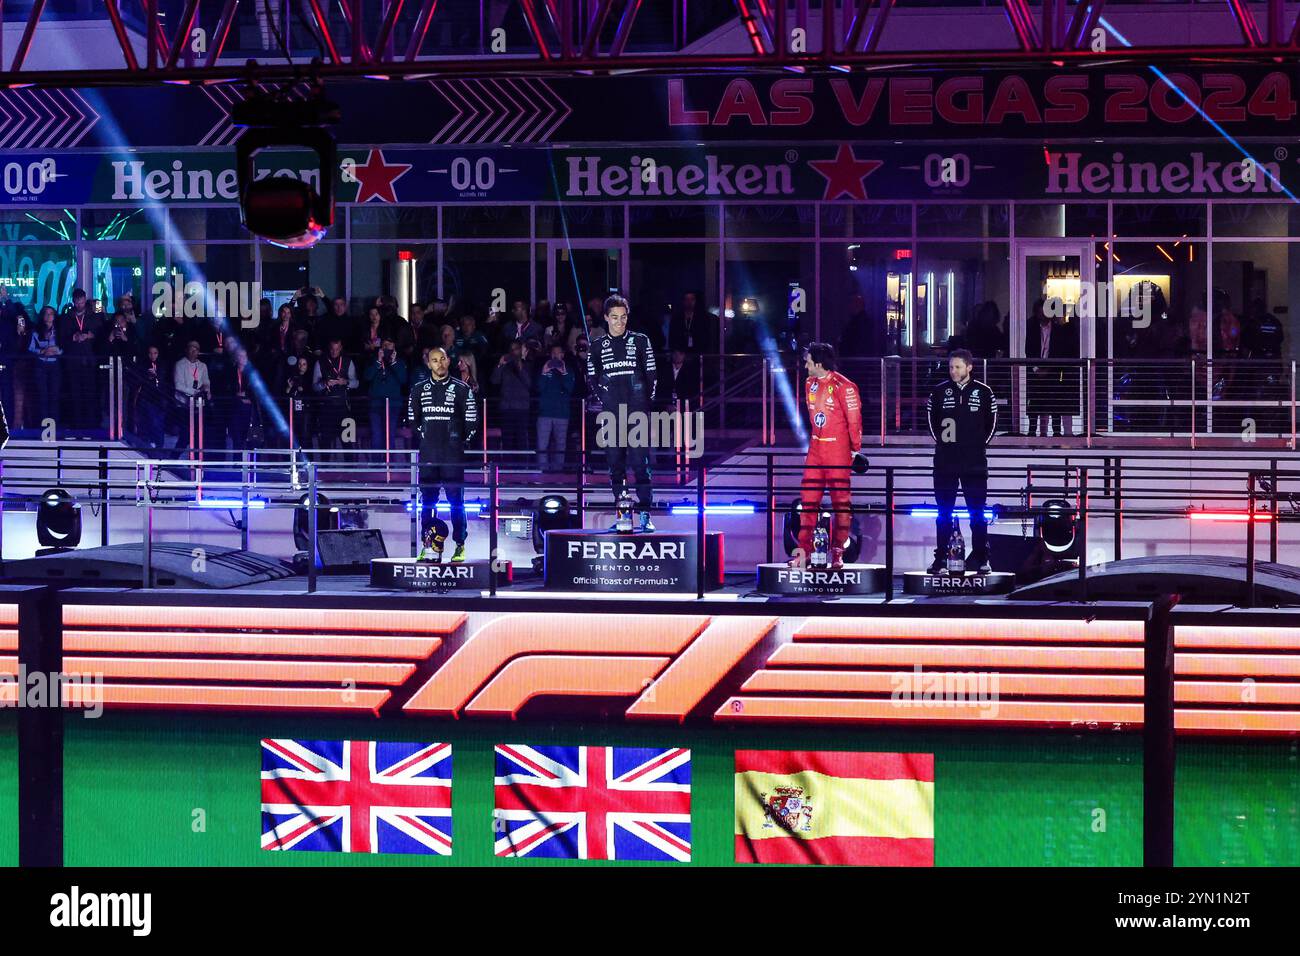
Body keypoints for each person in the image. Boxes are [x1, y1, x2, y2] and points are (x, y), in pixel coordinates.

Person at [788, 343, 863, 570]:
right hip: (815, 451)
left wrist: (854, 449)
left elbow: (854, 421)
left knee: (841, 504)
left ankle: (838, 553)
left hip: (838, 451)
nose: (805, 364)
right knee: (808, 502)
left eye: (808, 360)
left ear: (819, 363)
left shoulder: (845, 386)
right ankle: (804, 553)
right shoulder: (808, 383)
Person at [586, 294, 657, 530]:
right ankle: (623, 515)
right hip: (611, 415)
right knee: (615, 465)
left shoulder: (640, 341)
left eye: (623, 317)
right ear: (606, 318)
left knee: (640, 464)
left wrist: (645, 404)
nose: (619, 322)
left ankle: (645, 514)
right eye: (614, 318)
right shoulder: (596, 346)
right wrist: (604, 400)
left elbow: (652, 376)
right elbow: (592, 379)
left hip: (637, 414)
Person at [926, 348, 997, 574]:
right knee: (943, 512)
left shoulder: (984, 392)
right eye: (950, 367)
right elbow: (932, 423)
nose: (953, 371)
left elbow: (992, 424)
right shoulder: (938, 392)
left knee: (977, 512)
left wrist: (975, 446)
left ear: (969, 367)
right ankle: (941, 559)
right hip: (945, 463)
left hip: (974, 463)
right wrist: (948, 447)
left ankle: (981, 558)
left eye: (957, 367)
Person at [407, 347, 478, 562]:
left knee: (457, 501)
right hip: (429, 455)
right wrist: (428, 438)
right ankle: (427, 545)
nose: (439, 364)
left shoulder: (461, 389)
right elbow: (413, 421)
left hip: (452, 456)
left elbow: (472, 422)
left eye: (442, 359)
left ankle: (460, 545)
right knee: (428, 502)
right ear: (428, 364)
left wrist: (456, 442)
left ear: (448, 361)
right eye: (434, 360)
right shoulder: (418, 390)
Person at [58, 288, 100, 429]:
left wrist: (89, 336)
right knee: (74, 393)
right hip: (73, 361)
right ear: (73, 301)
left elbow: (101, 335)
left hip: (89, 361)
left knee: (90, 393)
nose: (80, 305)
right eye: (77, 303)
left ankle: (91, 424)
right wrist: (73, 337)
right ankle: (75, 423)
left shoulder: (93, 316)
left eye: (82, 302)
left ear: (85, 300)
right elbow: (61, 339)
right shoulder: (66, 318)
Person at [312, 338, 358, 450]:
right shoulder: (320, 362)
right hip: (326, 409)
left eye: (337, 349)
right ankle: (324, 467)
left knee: (348, 443)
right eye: (332, 349)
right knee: (325, 443)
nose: (334, 352)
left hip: (345, 409)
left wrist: (345, 382)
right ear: (329, 348)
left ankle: (351, 467)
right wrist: (325, 384)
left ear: (341, 348)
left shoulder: (348, 361)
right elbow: (314, 386)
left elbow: (356, 383)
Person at [364, 337, 408, 453]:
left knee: (390, 434)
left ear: (394, 348)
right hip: (375, 405)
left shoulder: (400, 362)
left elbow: (403, 380)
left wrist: (394, 363)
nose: (386, 347)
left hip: (393, 405)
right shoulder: (373, 360)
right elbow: (367, 377)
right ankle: (377, 465)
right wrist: (378, 361)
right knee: (376, 435)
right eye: (384, 345)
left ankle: (390, 464)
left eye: (389, 345)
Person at [491, 339, 535, 453]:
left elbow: (529, 384)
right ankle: (506, 467)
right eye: (511, 349)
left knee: (522, 440)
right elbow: (494, 381)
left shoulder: (527, 364)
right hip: (507, 408)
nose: (513, 352)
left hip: (522, 408)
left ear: (521, 350)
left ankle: (524, 467)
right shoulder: (505, 367)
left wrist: (520, 367)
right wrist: (500, 365)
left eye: (515, 349)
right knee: (507, 440)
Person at [536, 344, 575, 473]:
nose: (555, 356)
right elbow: (539, 388)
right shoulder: (545, 369)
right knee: (542, 445)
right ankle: (542, 472)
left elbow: (569, 389)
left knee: (560, 446)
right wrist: (543, 373)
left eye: (558, 353)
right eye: (553, 353)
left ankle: (558, 473)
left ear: (562, 355)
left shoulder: (568, 370)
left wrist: (564, 373)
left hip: (562, 414)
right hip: (545, 413)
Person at [172, 340, 210, 452]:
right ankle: (173, 459)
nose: (194, 351)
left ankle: (195, 461)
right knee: (186, 434)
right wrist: (195, 392)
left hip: (198, 406)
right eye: (191, 348)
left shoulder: (202, 366)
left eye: (196, 349)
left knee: (198, 435)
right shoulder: (180, 364)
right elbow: (178, 385)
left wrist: (205, 390)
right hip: (183, 406)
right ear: (187, 350)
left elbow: (206, 382)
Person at [28, 307, 62, 429]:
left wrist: (55, 351)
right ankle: (43, 427)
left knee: (54, 395)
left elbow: (64, 346)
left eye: (51, 313)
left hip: (55, 364)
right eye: (46, 314)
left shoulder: (59, 330)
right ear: (42, 316)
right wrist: (42, 351)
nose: (48, 316)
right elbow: (31, 348)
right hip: (41, 365)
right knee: (42, 396)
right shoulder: (36, 331)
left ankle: (54, 427)